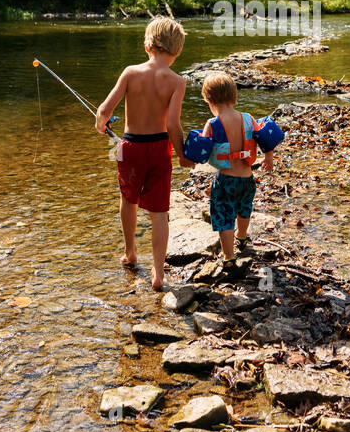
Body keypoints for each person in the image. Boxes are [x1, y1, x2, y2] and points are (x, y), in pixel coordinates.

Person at [96, 16, 195, 290]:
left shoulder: (130, 72)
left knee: (128, 200)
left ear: (146, 45)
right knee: (159, 212)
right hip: (159, 148)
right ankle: (159, 274)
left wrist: (101, 123)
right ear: (178, 51)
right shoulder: (177, 82)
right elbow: (174, 124)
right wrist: (183, 155)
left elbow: (105, 110)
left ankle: (130, 252)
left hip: (130, 147)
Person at [198, 71, 274, 264]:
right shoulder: (248, 118)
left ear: (208, 100)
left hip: (226, 179)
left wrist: (189, 158)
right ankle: (242, 236)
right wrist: (268, 158)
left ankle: (229, 257)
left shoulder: (212, 123)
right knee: (244, 208)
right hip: (247, 178)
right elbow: (266, 138)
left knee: (224, 215)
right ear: (235, 97)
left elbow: (203, 150)